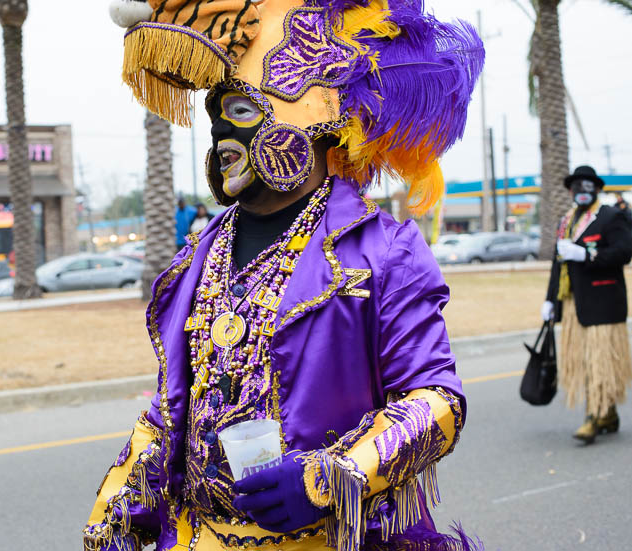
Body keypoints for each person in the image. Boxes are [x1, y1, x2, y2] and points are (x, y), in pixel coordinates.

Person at [88, 1, 485, 550]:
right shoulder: (198, 256)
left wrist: (333, 478)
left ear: (305, 121)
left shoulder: (383, 251)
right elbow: (170, 408)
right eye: (216, 114)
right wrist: (115, 513)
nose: (222, 130)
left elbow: (436, 400)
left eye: (243, 112)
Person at [542, 165, 632, 444]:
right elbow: (558, 265)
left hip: (603, 305)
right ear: (570, 190)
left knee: (600, 361)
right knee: (584, 361)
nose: (582, 190)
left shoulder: (610, 216)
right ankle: (608, 414)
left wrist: (586, 255)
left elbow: (623, 253)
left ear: (596, 188)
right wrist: (550, 299)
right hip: (573, 304)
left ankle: (594, 415)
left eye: (587, 185)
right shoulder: (566, 220)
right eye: (576, 186)